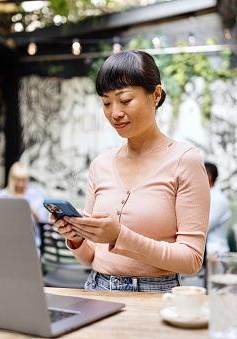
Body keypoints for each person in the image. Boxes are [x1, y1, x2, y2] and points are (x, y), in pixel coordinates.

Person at [51, 50, 210, 292]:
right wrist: (76, 237)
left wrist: (119, 236)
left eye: (125, 100)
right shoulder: (100, 164)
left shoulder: (184, 160)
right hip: (97, 289)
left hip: (156, 294)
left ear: (155, 94)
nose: (114, 113)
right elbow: (92, 257)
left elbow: (191, 260)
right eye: (106, 102)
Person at [0, 161, 48, 247]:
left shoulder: (36, 195)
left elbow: (42, 220)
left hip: (31, 240)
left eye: (23, 179)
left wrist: (29, 210)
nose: (21, 183)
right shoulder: (2, 195)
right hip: (7, 238)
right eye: (18, 179)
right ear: (12, 178)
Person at [204, 162, 231, 254]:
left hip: (215, 252)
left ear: (209, 176)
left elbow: (203, 227)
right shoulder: (204, 196)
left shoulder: (219, 200)